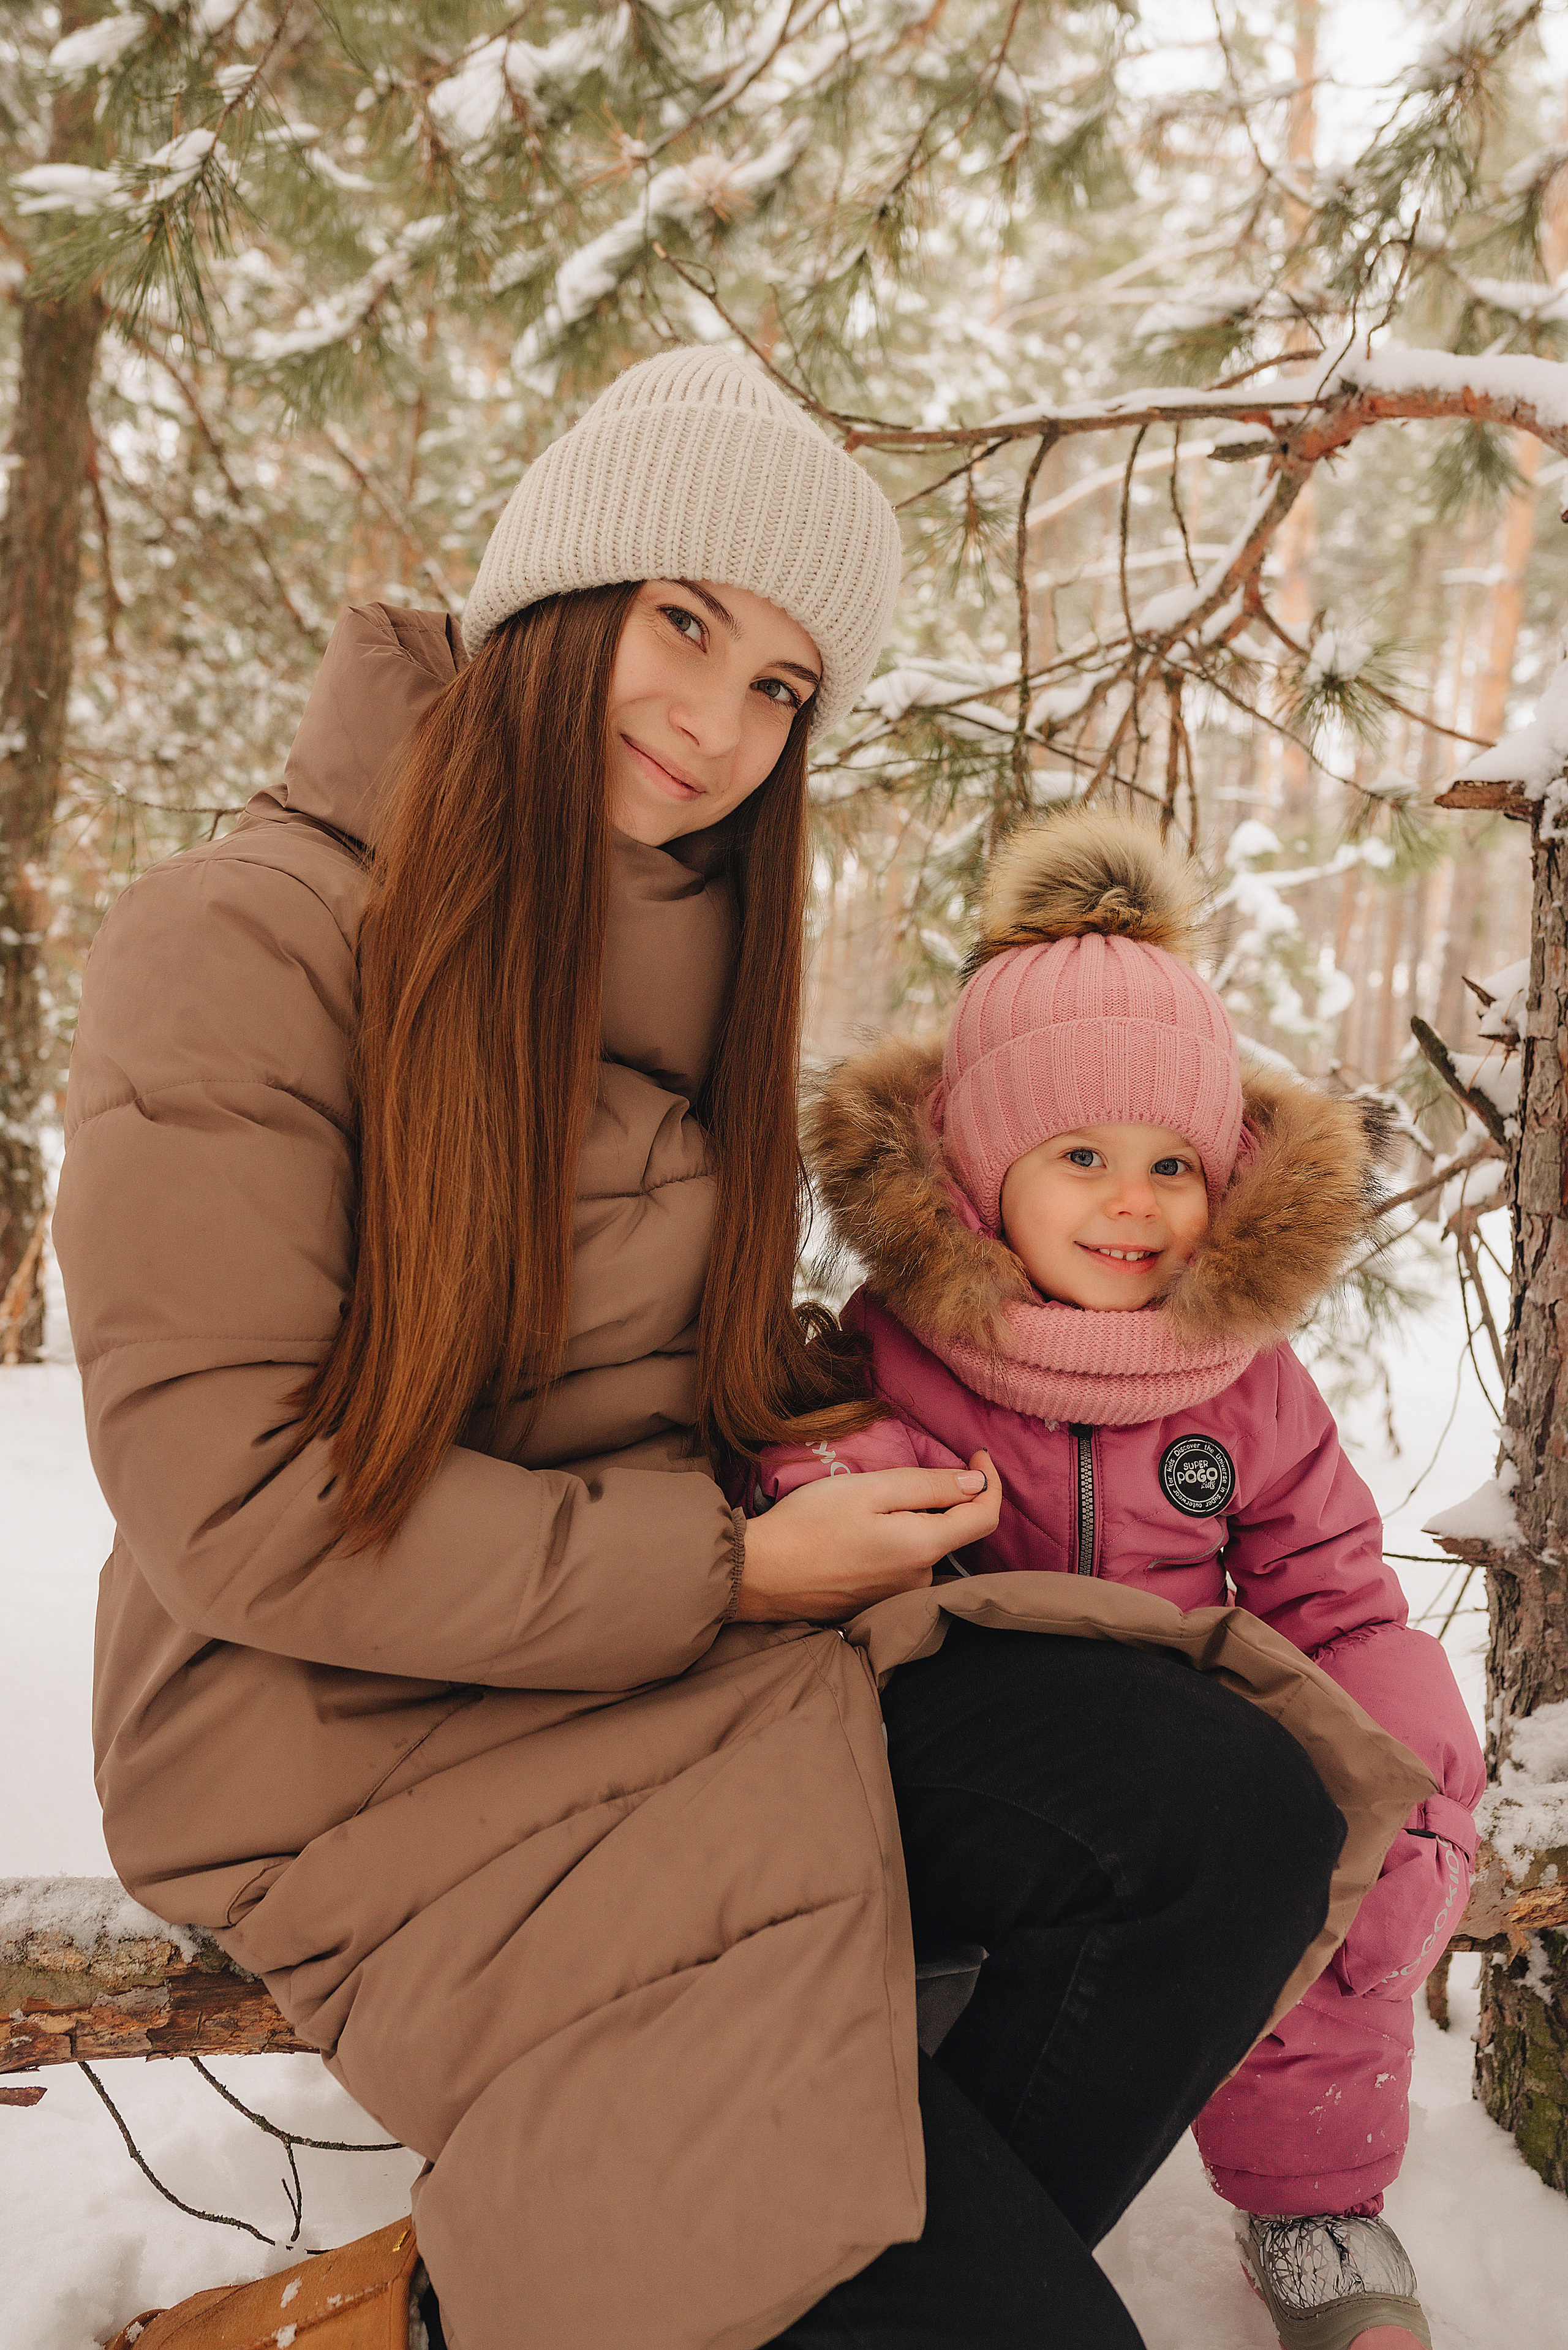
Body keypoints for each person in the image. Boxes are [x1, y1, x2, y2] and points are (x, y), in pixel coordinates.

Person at [56, 350, 1393, 2350]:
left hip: (667, 1652)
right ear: (550, 603)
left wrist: (928, 1397)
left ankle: (683, 2279)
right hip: (344, 1715)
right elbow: (236, 1506)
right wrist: (735, 1563)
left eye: (780, 684)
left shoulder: (680, 949)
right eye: (684, 621)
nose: (717, 720)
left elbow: (641, 1353)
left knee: (1230, 1804)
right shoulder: (237, 942)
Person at [754, 804, 1484, 2350]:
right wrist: (830, 1477)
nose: (1133, 1201)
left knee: (1334, 1850)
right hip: (997, 1766)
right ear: (973, 1170)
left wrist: (1407, 1764)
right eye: (1077, 1155)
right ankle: (933, 2218)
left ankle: (1313, 2203)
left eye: (1171, 1161)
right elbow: (816, 1476)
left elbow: (1335, 1589)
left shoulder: (1241, 1382)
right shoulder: (901, 1344)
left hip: (1201, 1761)